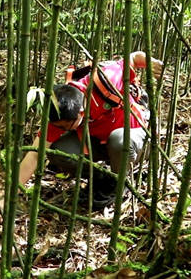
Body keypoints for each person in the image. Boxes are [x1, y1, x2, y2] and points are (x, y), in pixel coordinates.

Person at [16, 51, 163, 209]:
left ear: (80, 113)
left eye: (65, 127)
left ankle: (120, 184)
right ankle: (102, 179)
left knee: (119, 140)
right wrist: (9, 195)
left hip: (136, 140)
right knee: (57, 150)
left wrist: (151, 63)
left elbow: (133, 58)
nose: (60, 129)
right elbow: (34, 155)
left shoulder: (106, 80)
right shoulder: (58, 112)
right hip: (101, 141)